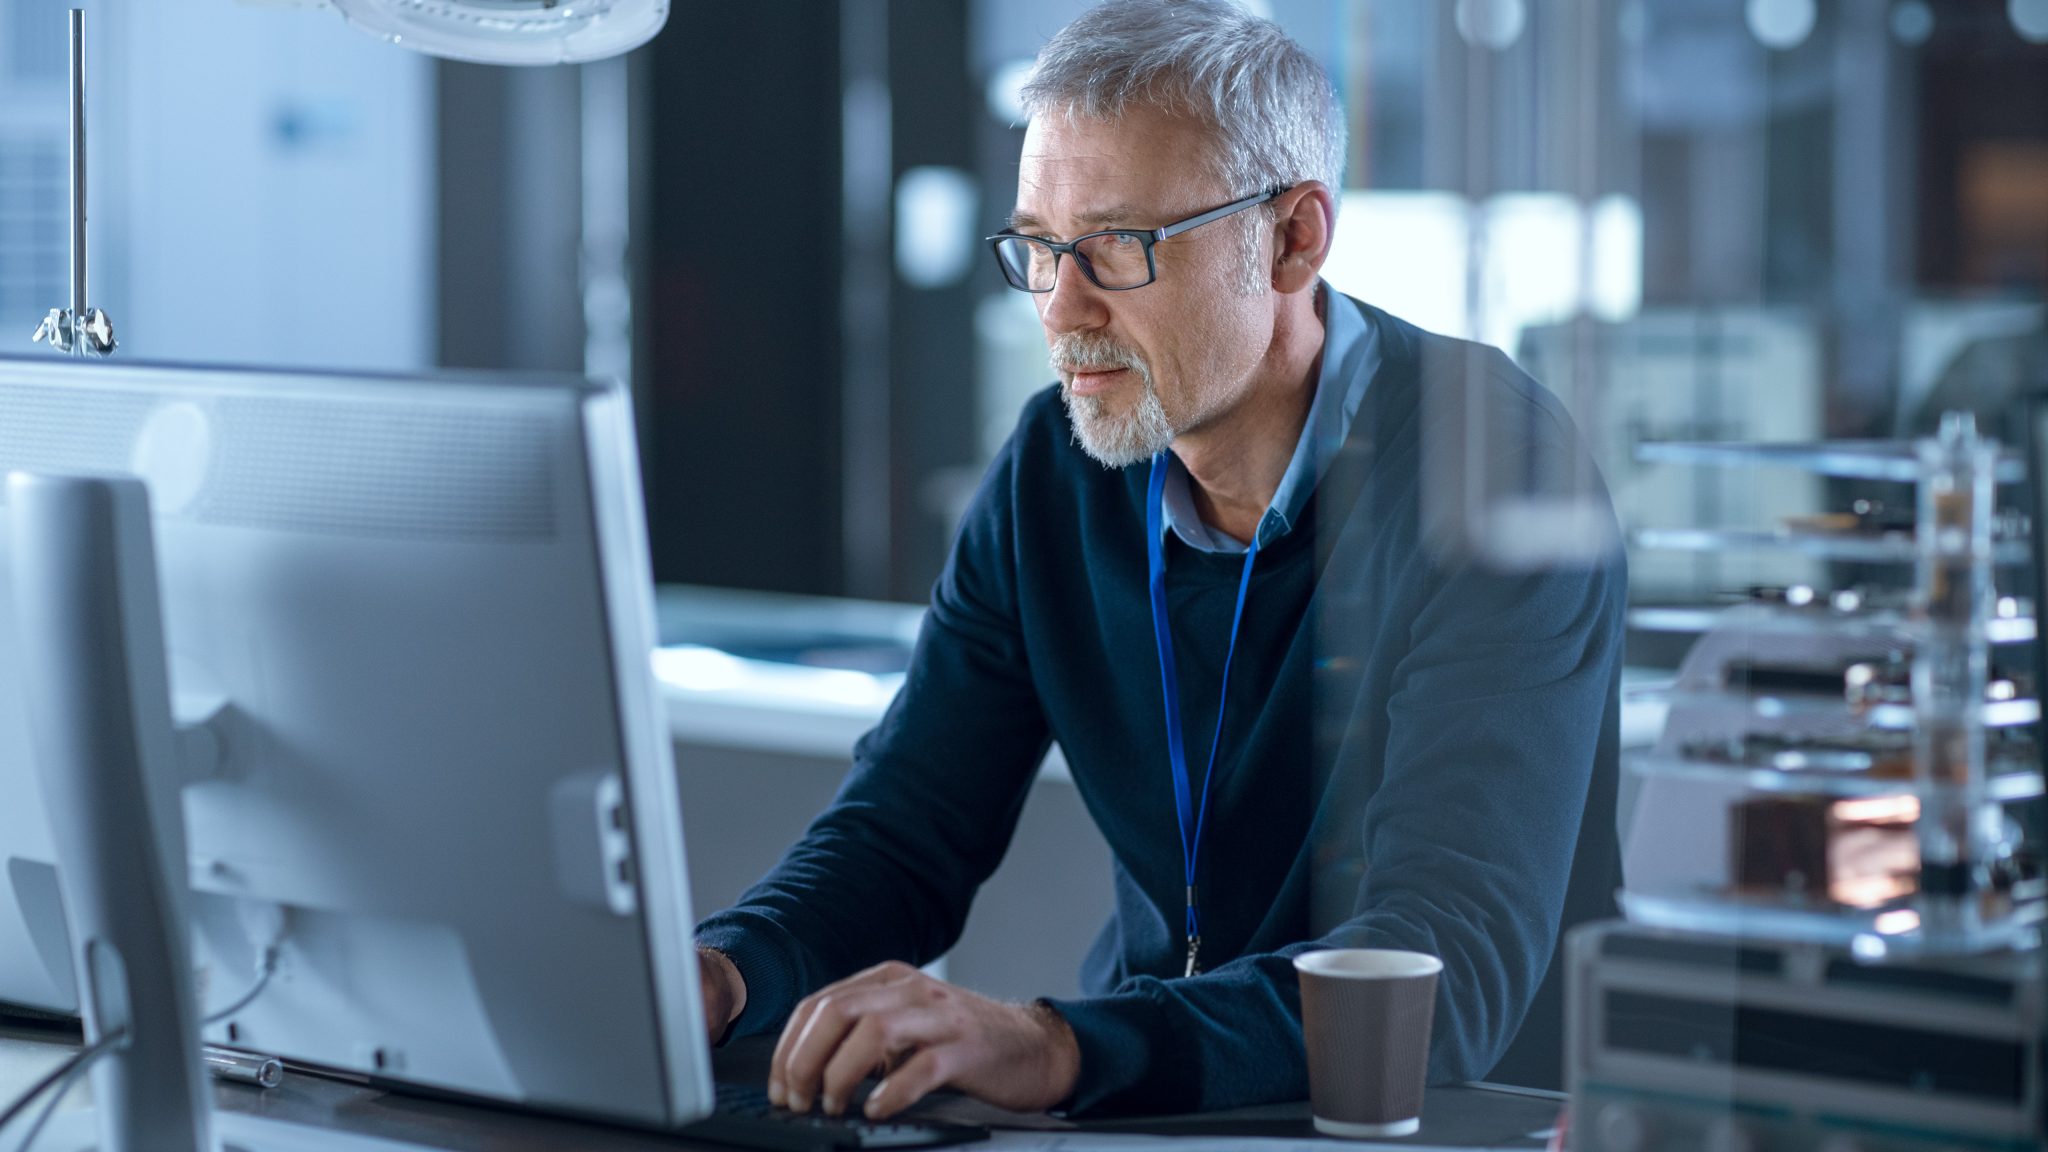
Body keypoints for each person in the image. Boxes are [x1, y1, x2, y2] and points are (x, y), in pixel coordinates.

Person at [692, 0, 1624, 1118]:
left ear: (1291, 238)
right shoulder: (1055, 465)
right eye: (1036, 246)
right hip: (1159, 1104)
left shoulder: (1495, 469)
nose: (1059, 308)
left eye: (1116, 248)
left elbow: (1437, 971)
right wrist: (713, 973)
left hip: (1450, 1121)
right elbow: (901, 835)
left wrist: (1054, 1048)